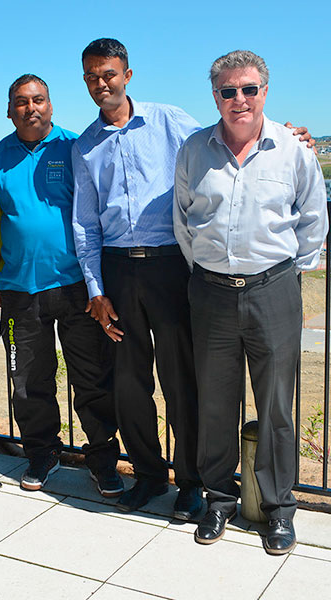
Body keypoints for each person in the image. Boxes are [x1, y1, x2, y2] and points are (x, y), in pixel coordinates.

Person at [71, 38, 315, 520]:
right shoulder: (84, 146)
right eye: (93, 76)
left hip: (172, 267)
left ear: (127, 74)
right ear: (86, 81)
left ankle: (191, 482)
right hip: (119, 271)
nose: (103, 83)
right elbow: (85, 223)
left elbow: (234, 126)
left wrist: (290, 135)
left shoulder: (171, 121)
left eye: (111, 73)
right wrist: (96, 289)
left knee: (183, 380)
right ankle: (146, 474)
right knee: (128, 382)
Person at [174, 50, 327, 554]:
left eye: (249, 89)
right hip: (211, 294)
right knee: (215, 404)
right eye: (227, 91)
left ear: (265, 91)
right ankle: (218, 499)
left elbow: (311, 221)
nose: (239, 99)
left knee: (277, 407)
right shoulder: (194, 150)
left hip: (273, 292)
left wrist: (283, 274)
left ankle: (279, 509)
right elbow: (184, 221)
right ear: (214, 95)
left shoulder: (293, 149)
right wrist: (211, 270)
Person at [0, 74, 121, 495]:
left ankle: (102, 459)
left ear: (51, 106)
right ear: (10, 111)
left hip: (76, 288)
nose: (31, 108)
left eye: (38, 100)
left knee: (91, 377)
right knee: (27, 381)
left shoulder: (75, 147)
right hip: (19, 292)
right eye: (21, 102)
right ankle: (42, 453)